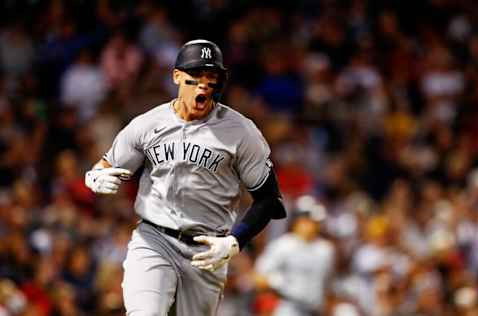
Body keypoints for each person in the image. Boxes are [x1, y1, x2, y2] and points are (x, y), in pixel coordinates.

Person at [84, 39, 286, 316]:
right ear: (177, 76)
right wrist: (94, 176)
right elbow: (106, 165)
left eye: (211, 77)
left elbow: (268, 199)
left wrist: (235, 241)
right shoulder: (147, 124)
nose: (203, 85)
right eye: (195, 77)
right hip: (153, 239)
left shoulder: (241, 131)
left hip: (207, 250)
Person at [255, 200, 335, 316]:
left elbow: (328, 287)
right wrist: (277, 282)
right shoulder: (283, 245)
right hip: (288, 308)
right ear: (299, 220)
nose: (314, 225)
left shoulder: (325, 249)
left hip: (316, 310)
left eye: (316, 222)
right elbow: (258, 277)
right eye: (310, 221)